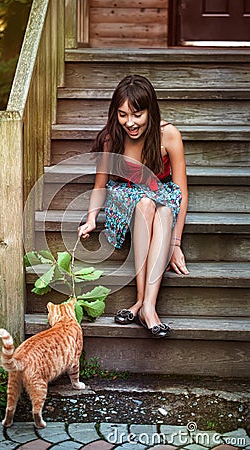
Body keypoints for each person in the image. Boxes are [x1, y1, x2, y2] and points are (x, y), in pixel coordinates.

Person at [78, 75, 189, 338]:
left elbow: (181, 191)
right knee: (147, 203)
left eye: (137, 114)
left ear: (151, 110)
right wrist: (92, 218)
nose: (130, 123)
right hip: (126, 198)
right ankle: (146, 306)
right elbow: (100, 185)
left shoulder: (168, 135)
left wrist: (175, 243)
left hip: (161, 197)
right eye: (123, 114)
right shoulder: (111, 139)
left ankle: (143, 305)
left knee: (160, 207)